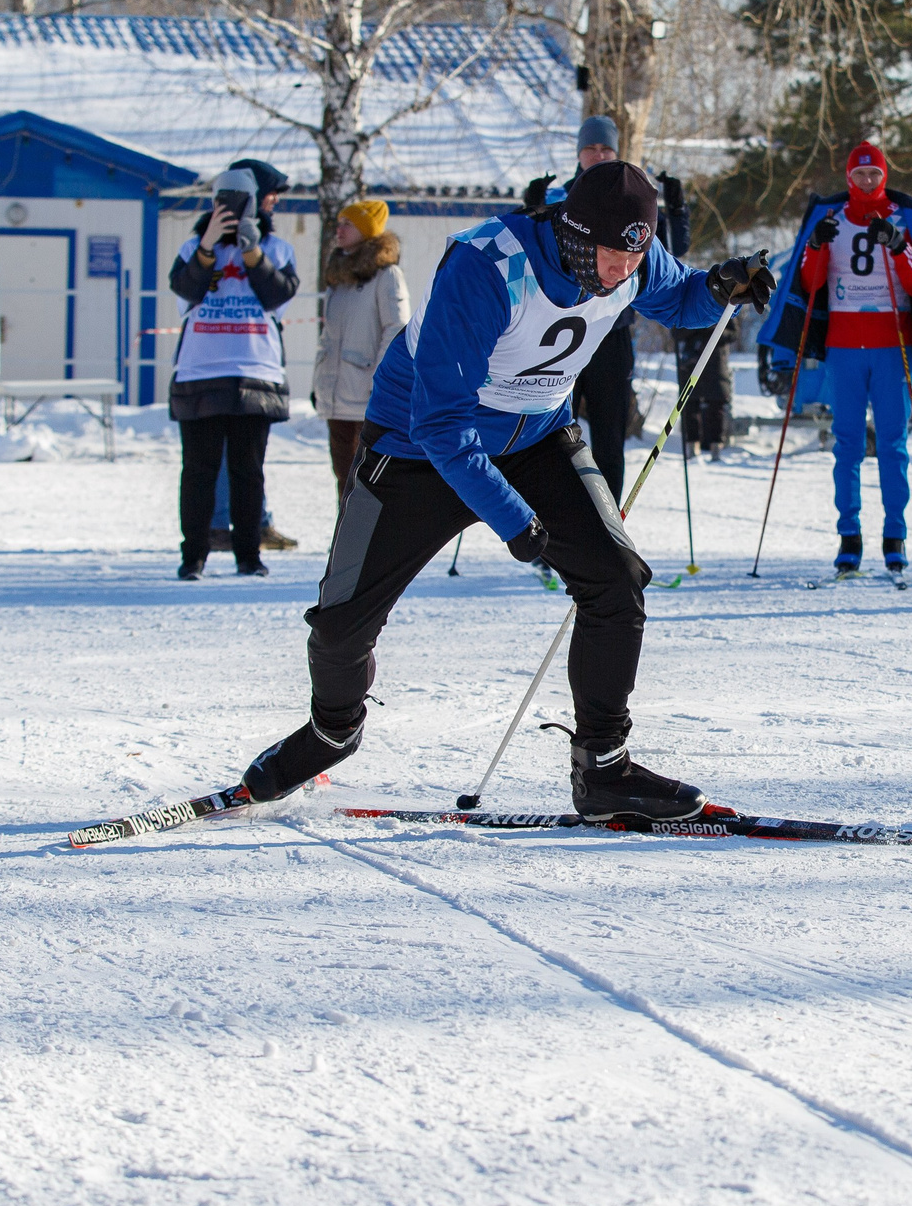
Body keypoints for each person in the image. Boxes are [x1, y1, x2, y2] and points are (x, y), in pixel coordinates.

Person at [230, 163, 774, 821]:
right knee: (341, 625)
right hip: (416, 448)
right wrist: (514, 519)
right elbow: (441, 423)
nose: (622, 272)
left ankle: (604, 768)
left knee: (616, 579)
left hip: (537, 438)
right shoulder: (487, 266)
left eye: (635, 257)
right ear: (575, 235)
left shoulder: (629, 255)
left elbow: (677, 296)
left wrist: (719, 286)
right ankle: (332, 731)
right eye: (611, 256)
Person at [757, 141, 912, 576]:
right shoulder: (831, 218)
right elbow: (809, 282)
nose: (867, 181)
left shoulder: (903, 218)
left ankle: (895, 535)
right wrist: (816, 245)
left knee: (892, 443)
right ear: (849, 178)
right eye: (859, 175)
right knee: (847, 443)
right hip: (844, 347)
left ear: (884, 176)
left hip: (892, 346)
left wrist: (898, 245)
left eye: (874, 174)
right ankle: (849, 536)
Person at [524, 115, 692, 501]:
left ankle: (609, 517)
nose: (598, 155)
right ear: (578, 154)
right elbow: (535, 247)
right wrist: (531, 205)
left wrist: (676, 208)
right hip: (559, 332)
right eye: (591, 148)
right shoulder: (561, 197)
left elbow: (672, 251)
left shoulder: (633, 197)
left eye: (606, 149)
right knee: (548, 435)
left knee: (609, 433)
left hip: (611, 333)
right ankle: (548, 517)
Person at [170, 164, 298, 578]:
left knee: (248, 472)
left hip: (255, 371)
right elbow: (184, 289)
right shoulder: (193, 247)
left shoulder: (277, 248)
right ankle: (193, 557)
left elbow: (279, 295)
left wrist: (252, 252)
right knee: (199, 471)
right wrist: (207, 245)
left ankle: (249, 555)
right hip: (200, 372)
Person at [206, 156, 297, 555]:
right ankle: (222, 523)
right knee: (227, 453)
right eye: (271, 192)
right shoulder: (209, 246)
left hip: (258, 361)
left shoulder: (273, 247)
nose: (275, 200)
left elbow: (278, 298)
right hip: (222, 361)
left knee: (246, 455)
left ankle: (250, 520)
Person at [309, 198, 407, 503]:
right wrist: (319, 383)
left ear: (367, 230)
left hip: (368, 396)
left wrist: (381, 380)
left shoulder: (386, 275)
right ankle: (344, 533)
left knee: (369, 479)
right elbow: (329, 338)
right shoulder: (338, 278)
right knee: (343, 478)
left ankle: (371, 533)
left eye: (347, 224)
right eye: (338, 223)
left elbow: (396, 329)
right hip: (336, 397)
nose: (338, 230)